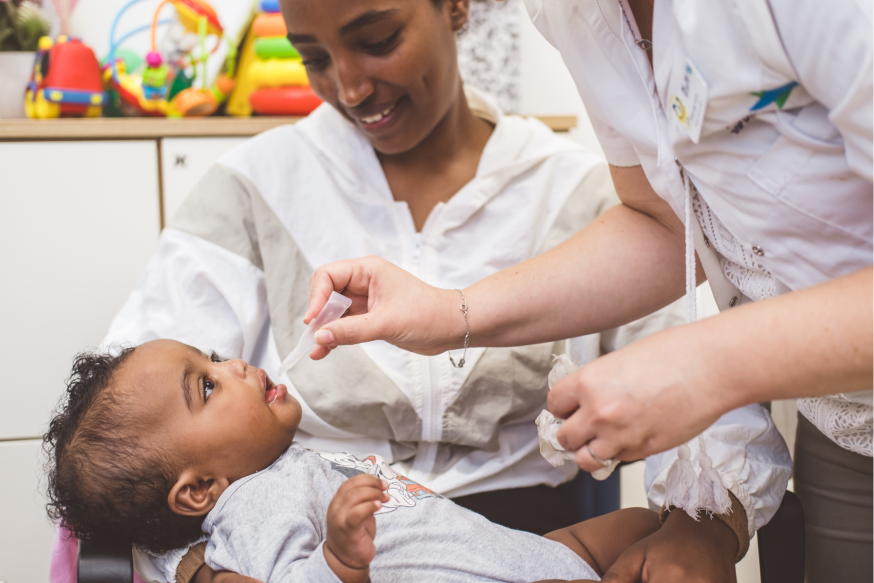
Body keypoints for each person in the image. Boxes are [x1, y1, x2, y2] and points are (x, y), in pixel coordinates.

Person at [47, 2, 791, 582]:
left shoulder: (583, 196)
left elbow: (702, 362)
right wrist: (200, 569)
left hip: (528, 541)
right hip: (315, 549)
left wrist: (702, 525)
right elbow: (126, 445)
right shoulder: (250, 193)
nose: (350, 86)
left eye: (376, 39)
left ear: (455, 5)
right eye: (313, 57)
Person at [303, 0, 873, 581]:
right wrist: (454, 310)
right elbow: (665, 220)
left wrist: (710, 365)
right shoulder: (574, 11)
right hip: (845, 418)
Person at [45, 340, 665, 583]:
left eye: (210, 358)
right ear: (202, 488)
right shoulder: (253, 505)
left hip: (519, 554)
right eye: (206, 386)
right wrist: (337, 559)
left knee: (645, 527)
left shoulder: (279, 464)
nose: (233, 365)